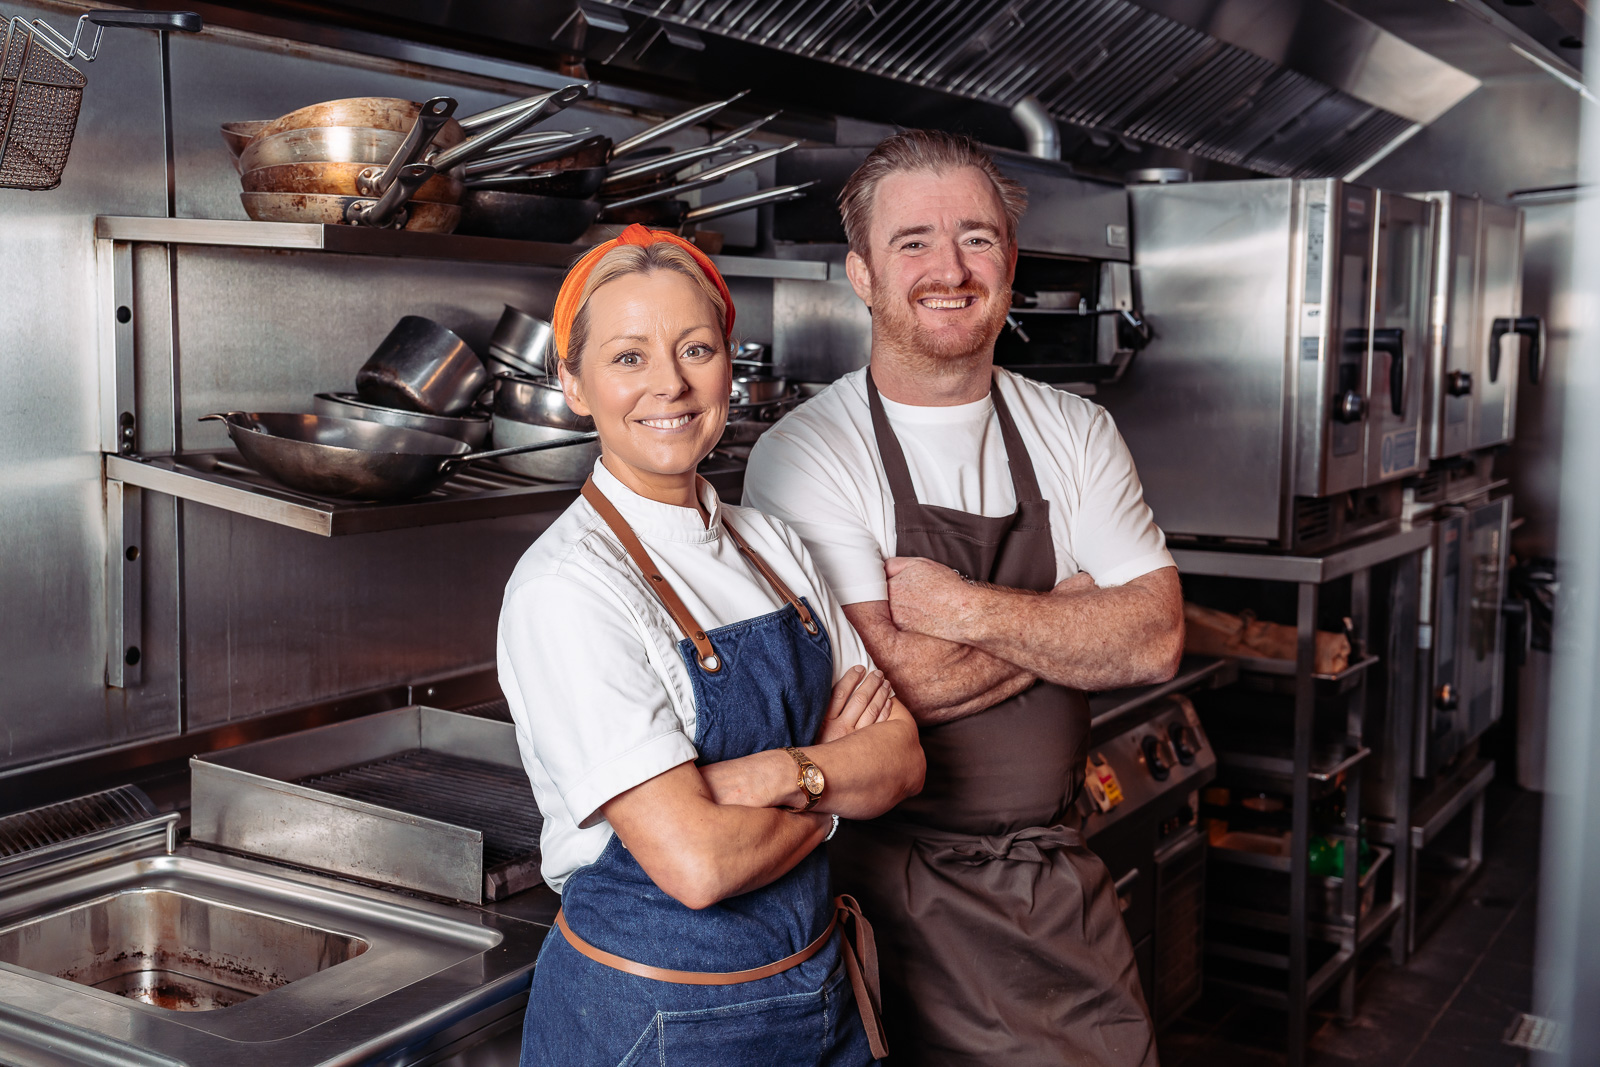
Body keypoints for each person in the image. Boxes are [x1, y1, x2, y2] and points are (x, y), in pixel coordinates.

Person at [744, 131, 1185, 1066]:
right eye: (913, 242)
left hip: (1056, 888)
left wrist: (963, 607)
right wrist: (1064, 611)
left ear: (1010, 265)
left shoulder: (1075, 429)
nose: (950, 268)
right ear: (861, 274)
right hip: (881, 898)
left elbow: (1152, 639)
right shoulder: (807, 451)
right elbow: (882, 686)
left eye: (977, 238)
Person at [496, 224, 925, 1067]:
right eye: (627, 357)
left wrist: (770, 778)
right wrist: (833, 778)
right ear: (572, 383)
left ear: (730, 363)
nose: (670, 384)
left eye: (696, 347)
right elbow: (695, 864)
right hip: (653, 1021)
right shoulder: (566, 588)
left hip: (818, 996)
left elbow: (904, 758)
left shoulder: (772, 544)